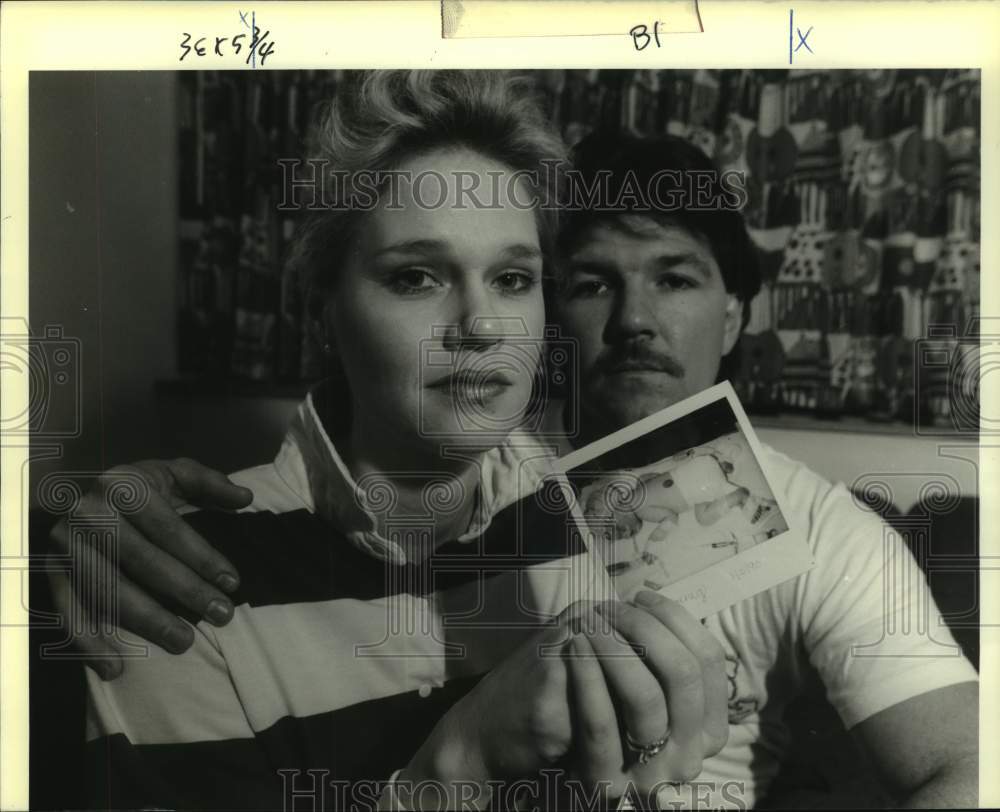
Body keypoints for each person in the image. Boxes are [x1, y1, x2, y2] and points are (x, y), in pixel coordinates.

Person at [47, 102, 978, 807]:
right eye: (416, 275)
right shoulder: (501, 465)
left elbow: (964, 757)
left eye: (512, 278)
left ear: (737, 315)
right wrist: (81, 515)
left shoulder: (640, 512)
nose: (636, 322)